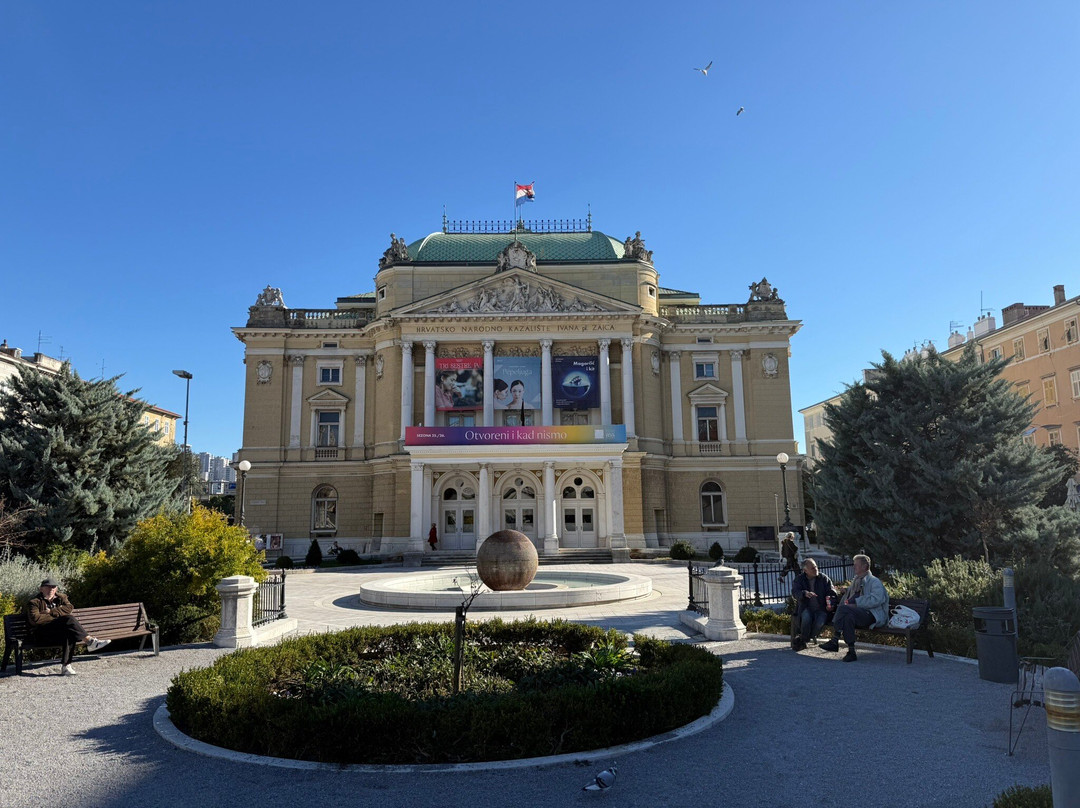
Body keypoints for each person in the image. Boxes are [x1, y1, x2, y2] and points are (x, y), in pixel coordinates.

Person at [25, 579, 109, 676]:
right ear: (41, 589)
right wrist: (58, 615)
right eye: (47, 587)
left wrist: (51, 612)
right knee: (68, 619)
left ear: (56, 589)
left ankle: (66, 666)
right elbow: (36, 619)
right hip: (41, 634)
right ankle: (90, 641)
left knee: (69, 631)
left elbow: (69, 608)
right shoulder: (34, 602)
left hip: (56, 632)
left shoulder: (61, 597)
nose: (51, 589)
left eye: (53, 587)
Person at [821, 554, 889, 662]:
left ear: (864, 567)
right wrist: (847, 591)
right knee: (848, 617)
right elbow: (856, 594)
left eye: (856, 565)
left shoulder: (874, 581)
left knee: (844, 608)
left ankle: (835, 639)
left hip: (871, 614)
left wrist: (857, 604)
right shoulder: (857, 580)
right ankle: (851, 652)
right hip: (857, 614)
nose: (853, 567)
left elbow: (877, 599)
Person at [790, 559, 839, 651]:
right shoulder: (799, 579)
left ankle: (803, 640)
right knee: (806, 618)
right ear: (805, 571)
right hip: (806, 607)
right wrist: (804, 593)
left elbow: (832, 591)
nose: (816, 569)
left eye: (816, 567)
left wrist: (830, 600)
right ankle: (804, 640)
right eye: (812, 568)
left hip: (821, 609)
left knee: (820, 622)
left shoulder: (823, 578)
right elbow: (795, 592)